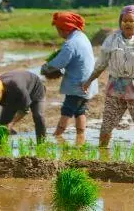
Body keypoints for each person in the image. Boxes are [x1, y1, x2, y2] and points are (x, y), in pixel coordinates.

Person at [81, 5, 134, 150]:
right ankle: (102, 154)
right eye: (125, 21)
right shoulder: (111, 40)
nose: (128, 24)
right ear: (120, 23)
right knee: (107, 123)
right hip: (116, 87)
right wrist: (89, 80)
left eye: (132, 21)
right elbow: (101, 63)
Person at [40, 12, 98, 146]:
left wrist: (46, 67)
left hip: (78, 83)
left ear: (64, 29)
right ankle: (80, 137)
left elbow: (58, 63)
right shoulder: (81, 37)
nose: (58, 32)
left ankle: (57, 135)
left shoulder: (71, 43)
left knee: (67, 109)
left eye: (58, 30)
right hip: (87, 82)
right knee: (80, 110)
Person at [0, 71, 47, 143]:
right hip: (11, 93)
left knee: (38, 116)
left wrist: (11, 124)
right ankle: (1, 144)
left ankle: (41, 143)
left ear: (0, 91)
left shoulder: (17, 88)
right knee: (3, 123)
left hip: (35, 89)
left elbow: (24, 110)